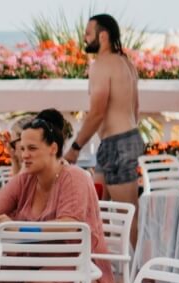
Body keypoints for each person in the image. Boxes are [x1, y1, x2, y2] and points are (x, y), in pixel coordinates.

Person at [0, 109, 115, 283]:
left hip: (83, 264)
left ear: (53, 148)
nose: (24, 155)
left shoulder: (74, 177)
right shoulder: (26, 179)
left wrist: (20, 228)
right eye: (22, 148)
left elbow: (69, 227)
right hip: (33, 261)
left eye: (32, 149)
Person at [62, 14, 143, 208]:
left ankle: (131, 241)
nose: (85, 38)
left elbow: (97, 112)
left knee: (126, 212)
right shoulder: (126, 64)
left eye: (89, 33)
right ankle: (106, 240)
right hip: (121, 141)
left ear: (103, 36)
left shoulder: (102, 65)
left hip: (117, 144)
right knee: (96, 208)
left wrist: (75, 148)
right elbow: (136, 108)